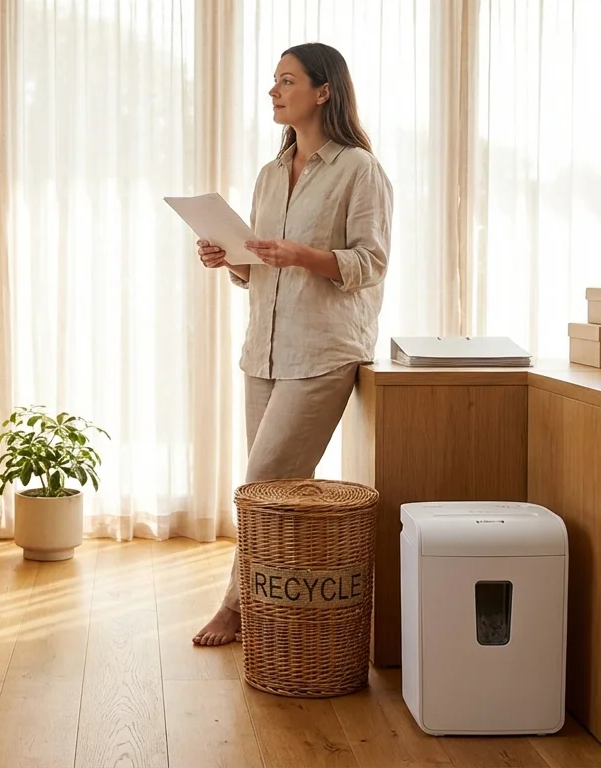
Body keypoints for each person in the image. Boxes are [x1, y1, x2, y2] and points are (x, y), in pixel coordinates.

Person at [193, 42, 393, 646]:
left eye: (287, 81)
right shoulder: (271, 174)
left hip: (325, 351)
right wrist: (227, 258)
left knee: (264, 481)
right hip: (265, 350)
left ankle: (236, 607)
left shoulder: (360, 170)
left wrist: (304, 256)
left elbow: (372, 262)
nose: (274, 92)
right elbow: (260, 267)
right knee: (272, 491)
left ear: (324, 90)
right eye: (274, 82)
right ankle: (277, 605)